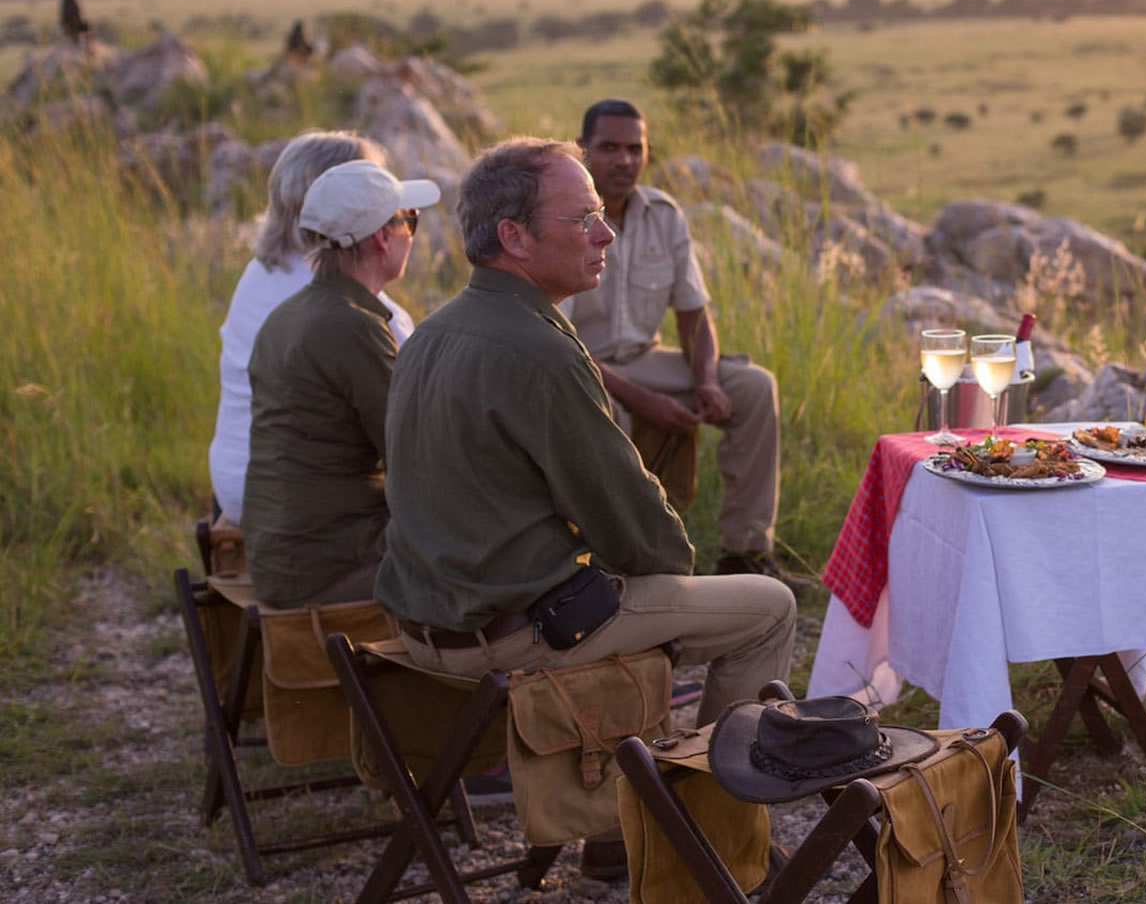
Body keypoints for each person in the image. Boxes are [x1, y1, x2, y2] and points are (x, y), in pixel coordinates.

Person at [375, 135, 796, 720]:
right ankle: (714, 803)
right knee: (770, 607)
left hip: (424, 625)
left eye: (601, 215)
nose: (606, 234)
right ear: (513, 237)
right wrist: (678, 578)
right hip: (511, 637)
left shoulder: (429, 334)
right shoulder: (541, 350)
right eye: (584, 220)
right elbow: (636, 529)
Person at [562, 98, 787, 579]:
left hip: (645, 360)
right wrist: (645, 400)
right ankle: (622, 569)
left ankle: (744, 554)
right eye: (608, 148)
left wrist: (706, 379)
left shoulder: (664, 215)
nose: (623, 160)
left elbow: (694, 313)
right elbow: (559, 339)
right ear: (582, 151)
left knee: (752, 387)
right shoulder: (565, 220)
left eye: (634, 148)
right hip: (581, 368)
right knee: (612, 414)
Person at [241, 161, 440, 609]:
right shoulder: (352, 326)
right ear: (381, 237)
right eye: (409, 219)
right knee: (502, 569)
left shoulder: (288, 315)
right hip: (331, 566)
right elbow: (418, 460)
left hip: (287, 558)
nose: (412, 232)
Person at [208, 132, 415, 524]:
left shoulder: (263, 271)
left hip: (235, 479)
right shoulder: (337, 299)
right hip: (288, 501)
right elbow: (412, 416)